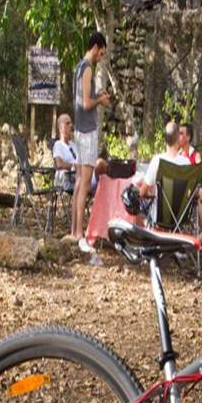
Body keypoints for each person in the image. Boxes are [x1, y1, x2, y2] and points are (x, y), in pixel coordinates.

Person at [72, 31, 111, 252]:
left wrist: (99, 96)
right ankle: (79, 234)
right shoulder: (86, 68)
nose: (100, 58)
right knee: (85, 183)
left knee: (80, 182)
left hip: (81, 130)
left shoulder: (78, 67)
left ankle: (74, 231)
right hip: (86, 131)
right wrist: (100, 100)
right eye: (101, 54)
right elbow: (86, 103)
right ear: (95, 48)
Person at [137, 121, 191, 200]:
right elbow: (190, 191)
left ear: (165, 140)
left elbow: (142, 192)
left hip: (159, 212)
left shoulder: (157, 160)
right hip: (180, 212)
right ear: (178, 140)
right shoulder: (186, 163)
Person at [52, 113, 78, 191]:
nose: (71, 125)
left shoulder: (73, 145)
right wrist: (74, 166)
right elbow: (59, 164)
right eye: (67, 123)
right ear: (60, 128)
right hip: (71, 177)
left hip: (80, 174)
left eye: (71, 123)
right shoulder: (58, 145)